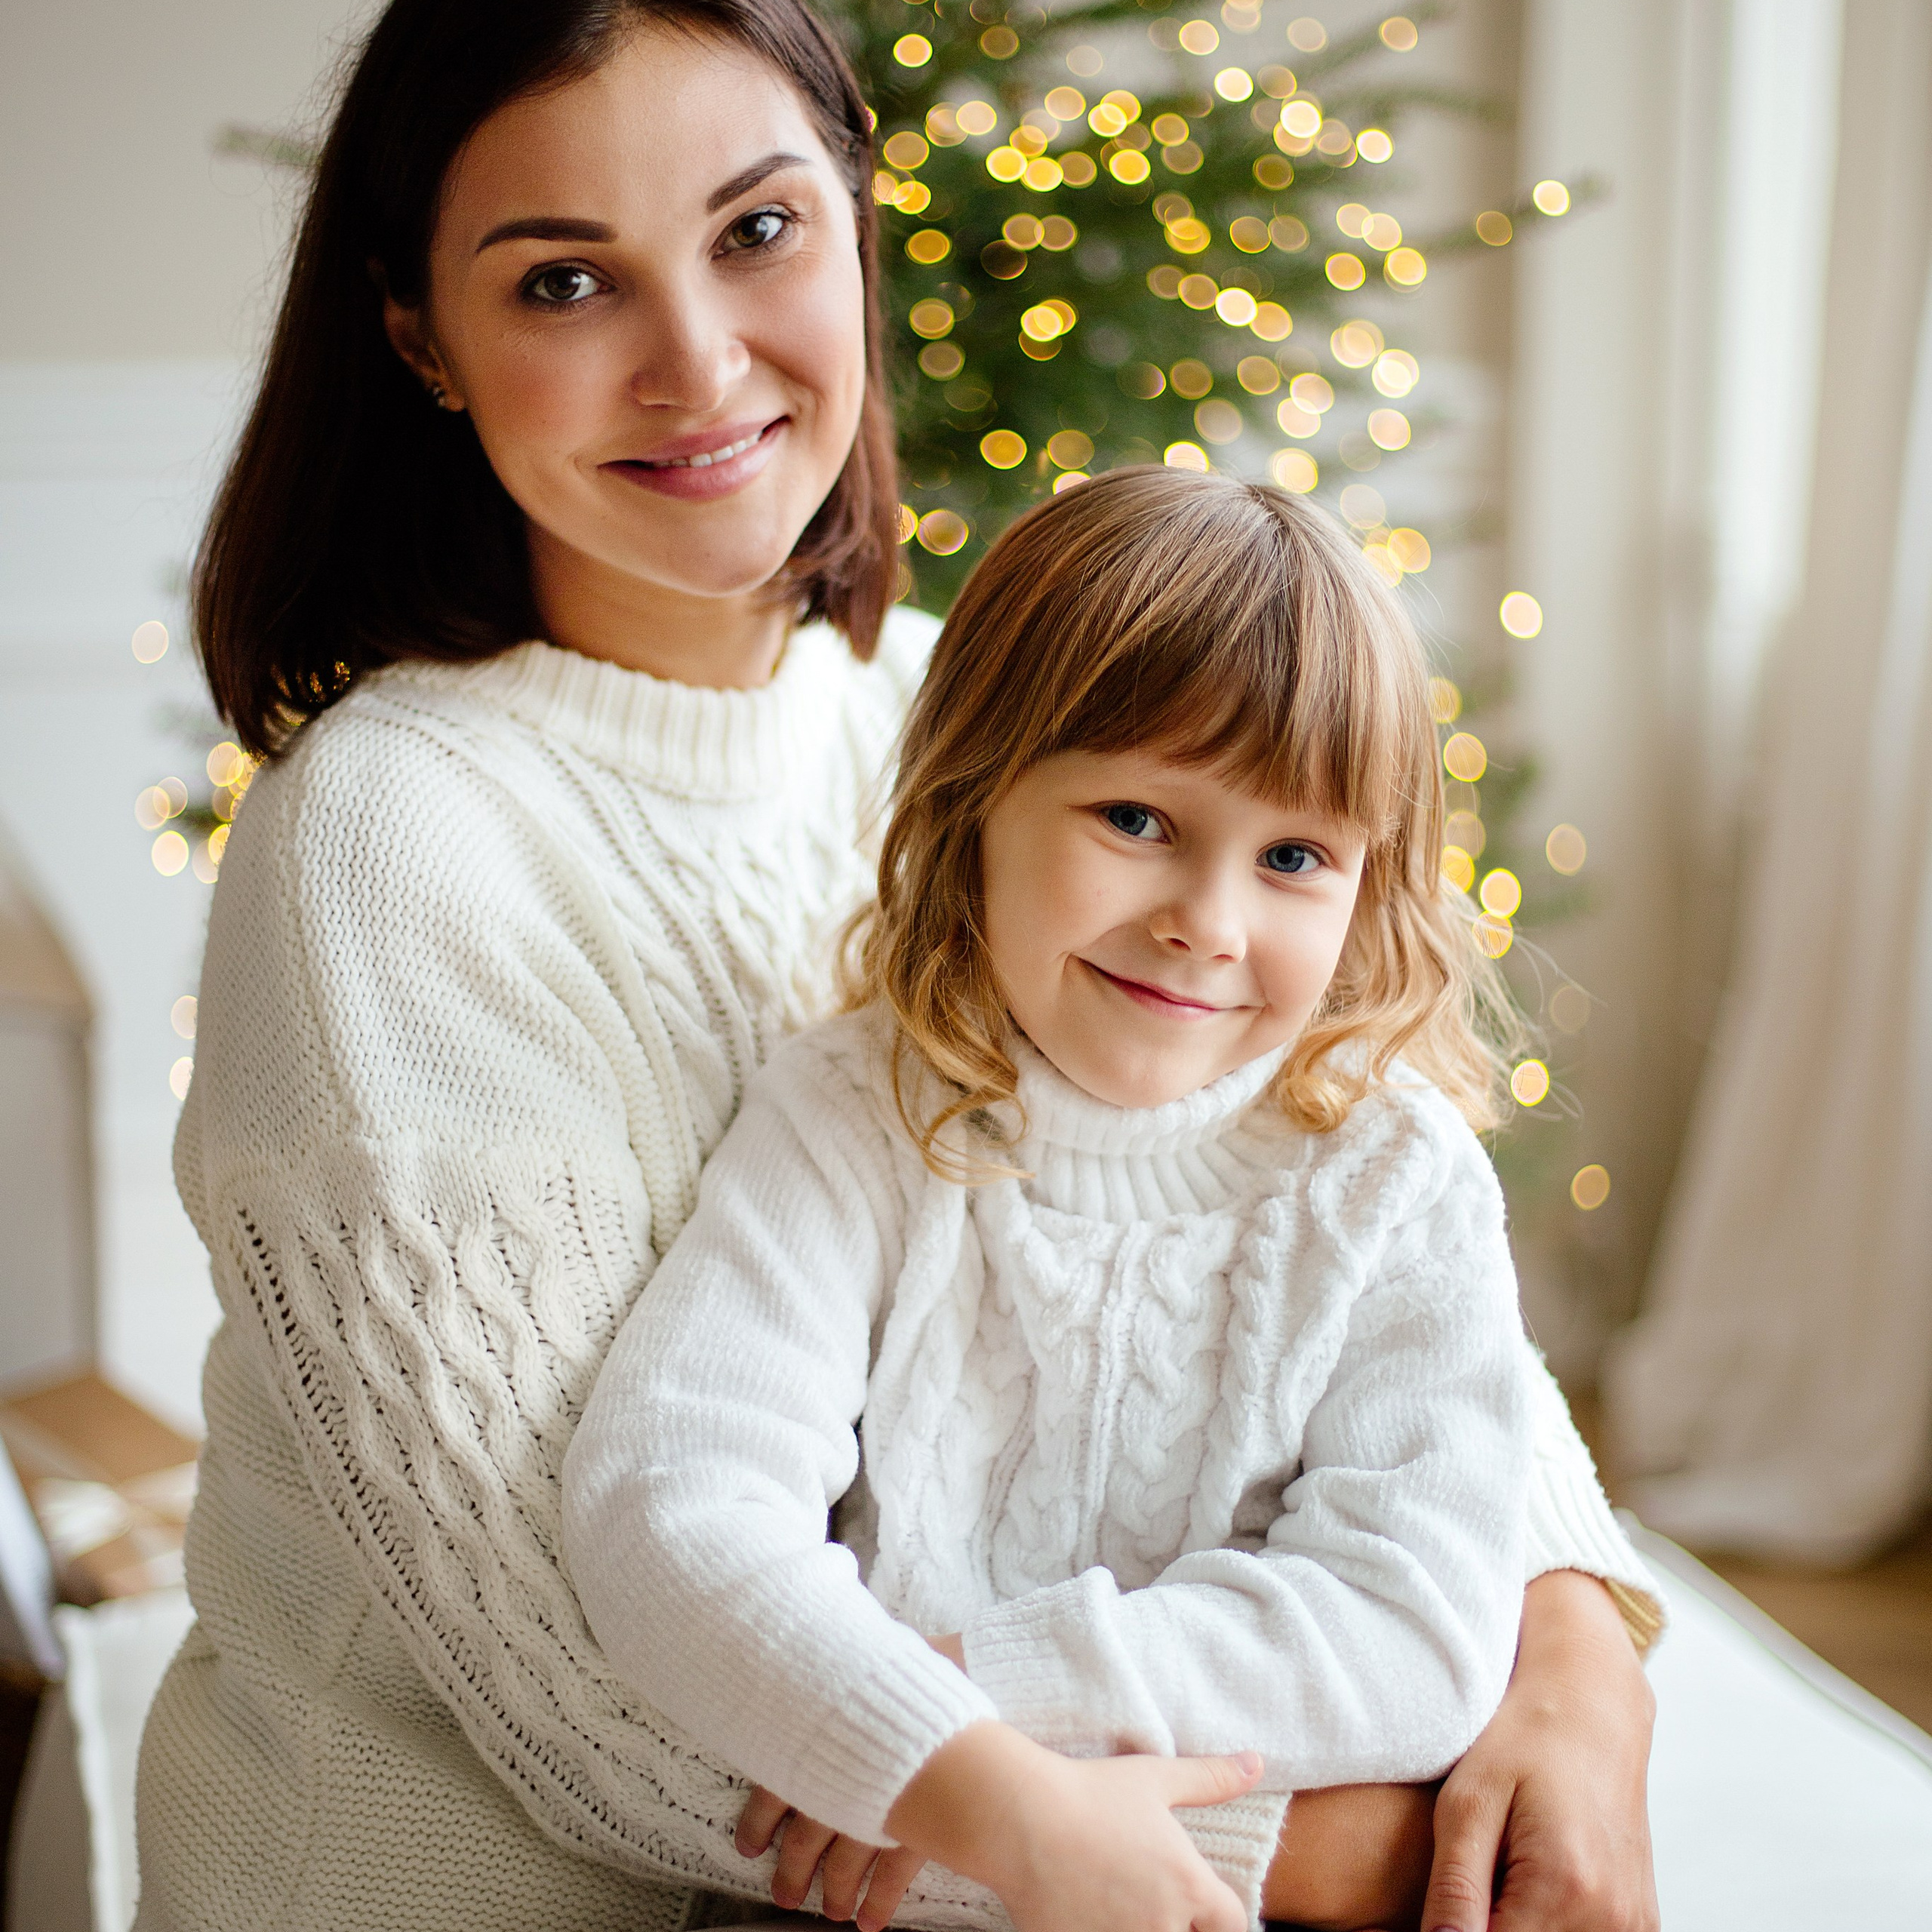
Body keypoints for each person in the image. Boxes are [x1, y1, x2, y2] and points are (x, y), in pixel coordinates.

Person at [136, 1, 1663, 1927]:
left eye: (757, 231)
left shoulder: (976, 722)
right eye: (562, 280)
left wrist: (1565, 1661)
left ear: (854, 225)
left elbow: (1332, 1209)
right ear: (420, 334)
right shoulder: (390, 844)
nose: (696, 361)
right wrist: (1365, 1844)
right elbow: (598, 1687)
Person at [565, 467, 1543, 1932]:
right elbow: (672, 1505)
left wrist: (988, 1691)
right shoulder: (852, 1117)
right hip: (864, 1883)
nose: (1205, 921)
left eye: (1291, 856)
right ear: (973, 798)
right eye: (1137, 817)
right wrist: (935, 1758)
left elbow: (1412, 1626)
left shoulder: (1391, 1177)